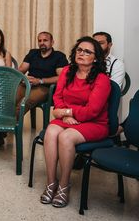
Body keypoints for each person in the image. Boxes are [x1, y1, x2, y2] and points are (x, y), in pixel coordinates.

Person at [40, 36, 110, 208]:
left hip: (95, 123)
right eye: (79, 50)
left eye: (87, 51)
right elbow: (58, 96)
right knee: (51, 131)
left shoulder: (102, 79)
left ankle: (64, 185)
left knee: (66, 137)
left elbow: (92, 110)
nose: (82, 53)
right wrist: (64, 115)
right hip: (67, 118)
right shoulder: (67, 71)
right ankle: (51, 182)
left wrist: (66, 112)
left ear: (96, 57)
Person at [17, 31, 69, 115]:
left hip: (45, 88)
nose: (42, 43)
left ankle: (11, 124)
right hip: (28, 85)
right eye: (40, 41)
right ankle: (4, 122)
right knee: (10, 97)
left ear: (52, 42)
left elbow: (62, 77)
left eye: (45, 40)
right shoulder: (33, 53)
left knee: (24, 102)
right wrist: (24, 78)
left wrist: (40, 81)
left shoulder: (59, 56)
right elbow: (21, 70)